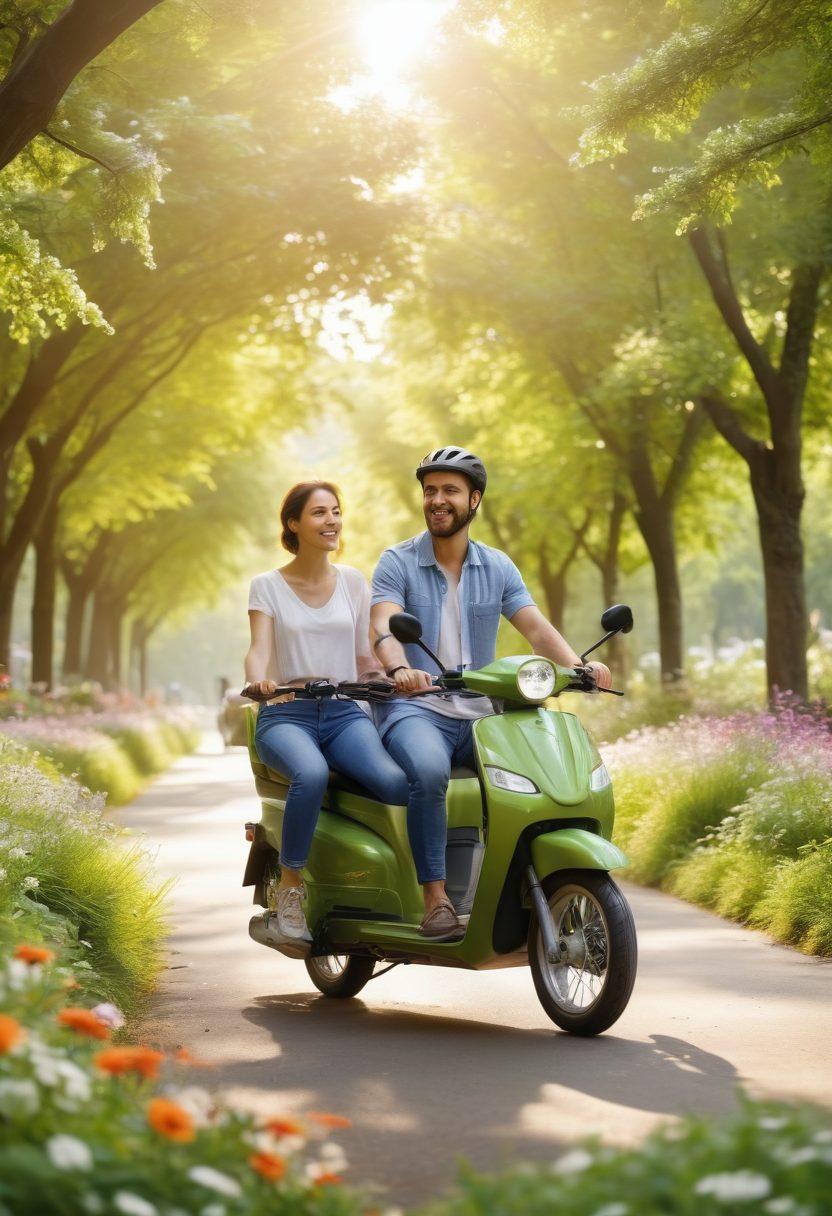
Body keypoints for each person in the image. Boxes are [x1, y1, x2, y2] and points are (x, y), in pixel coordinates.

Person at [371, 446, 612, 940]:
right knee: (429, 773)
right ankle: (436, 900)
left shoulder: (497, 566)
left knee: (534, 777)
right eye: (430, 490)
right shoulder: (397, 561)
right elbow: (383, 625)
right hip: (416, 708)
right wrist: (399, 668)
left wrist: (580, 668)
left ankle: (522, 887)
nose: (437, 500)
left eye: (450, 491)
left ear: (474, 499)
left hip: (483, 713)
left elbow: (536, 629)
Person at [245, 480, 409, 947]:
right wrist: (259, 683)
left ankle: (384, 881)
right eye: (319, 513)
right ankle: (291, 891)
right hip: (286, 713)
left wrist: (392, 675)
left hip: (342, 713)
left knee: (395, 782)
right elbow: (258, 651)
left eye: (336, 511)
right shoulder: (267, 586)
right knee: (312, 772)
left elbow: (363, 654)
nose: (331, 520)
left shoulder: (353, 581)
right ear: (293, 523)